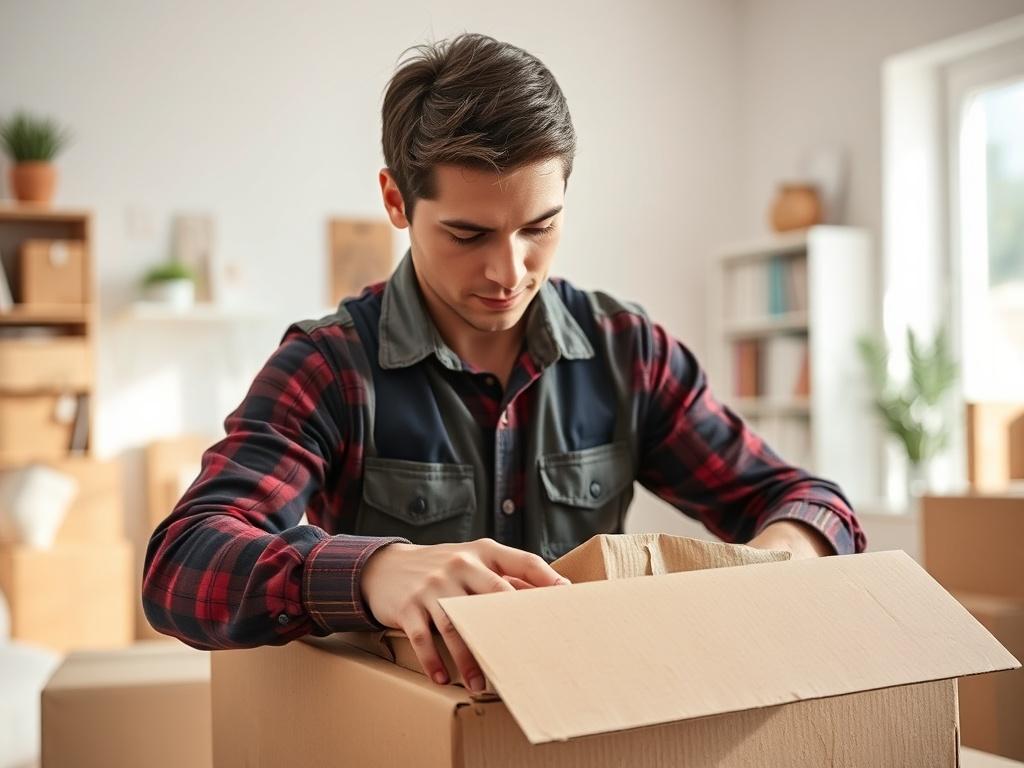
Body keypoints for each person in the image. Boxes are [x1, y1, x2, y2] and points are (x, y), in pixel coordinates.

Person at [143, 32, 865, 694]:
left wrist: (784, 561)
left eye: (539, 228)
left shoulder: (628, 353)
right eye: (467, 233)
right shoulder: (329, 368)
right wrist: (373, 571)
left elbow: (809, 502)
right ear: (396, 200)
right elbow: (181, 565)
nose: (509, 271)